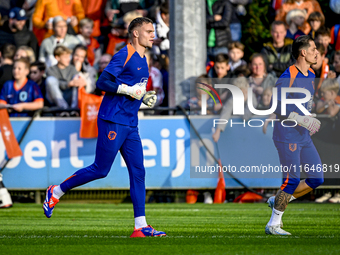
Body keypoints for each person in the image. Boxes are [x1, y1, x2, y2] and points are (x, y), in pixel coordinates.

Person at [42, 17, 166, 238]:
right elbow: (102, 82)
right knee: (101, 169)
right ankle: (56, 191)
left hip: (130, 122)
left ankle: (141, 227)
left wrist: (142, 96)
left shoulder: (143, 57)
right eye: (148, 31)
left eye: (152, 31)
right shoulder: (124, 54)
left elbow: (132, 88)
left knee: (138, 172)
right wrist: (128, 90)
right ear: (135, 33)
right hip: (113, 120)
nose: (152, 34)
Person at [265, 35, 323, 235]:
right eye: (314, 48)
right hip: (287, 134)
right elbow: (277, 105)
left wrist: (309, 117)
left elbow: (301, 105)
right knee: (291, 180)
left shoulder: (310, 74)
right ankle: (273, 224)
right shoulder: (288, 74)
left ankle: (278, 200)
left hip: (303, 135)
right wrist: (301, 118)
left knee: (317, 178)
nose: (317, 52)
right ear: (303, 52)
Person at [212, 76, 257, 142]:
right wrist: (218, 131)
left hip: (253, 131)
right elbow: (226, 111)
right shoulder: (234, 97)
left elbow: (246, 117)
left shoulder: (252, 97)